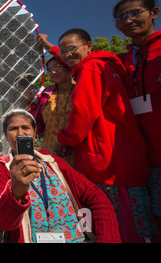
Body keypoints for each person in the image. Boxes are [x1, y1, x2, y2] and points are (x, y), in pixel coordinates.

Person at [54, 28, 153, 242]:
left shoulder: (90, 69)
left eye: (72, 49)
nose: (67, 55)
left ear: (89, 46)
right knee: (140, 225)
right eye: (62, 52)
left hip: (108, 163)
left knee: (115, 226)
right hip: (126, 156)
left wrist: (65, 139)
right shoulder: (107, 65)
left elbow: (83, 112)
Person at [0, 109, 121, 243]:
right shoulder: (0, 170)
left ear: (35, 134)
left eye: (26, 128)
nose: (20, 133)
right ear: (5, 135)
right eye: (14, 129)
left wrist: (106, 239)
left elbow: (97, 197)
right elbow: (1, 221)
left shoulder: (53, 164)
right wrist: (15, 191)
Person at [112, 0, 161, 240]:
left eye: (134, 13)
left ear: (154, 12)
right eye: (121, 18)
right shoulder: (126, 59)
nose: (128, 21)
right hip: (146, 159)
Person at [34, 56, 76, 167]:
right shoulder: (47, 94)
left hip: (76, 152)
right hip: (50, 150)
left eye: (57, 66)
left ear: (67, 66)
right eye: (49, 70)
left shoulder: (81, 88)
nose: (53, 72)